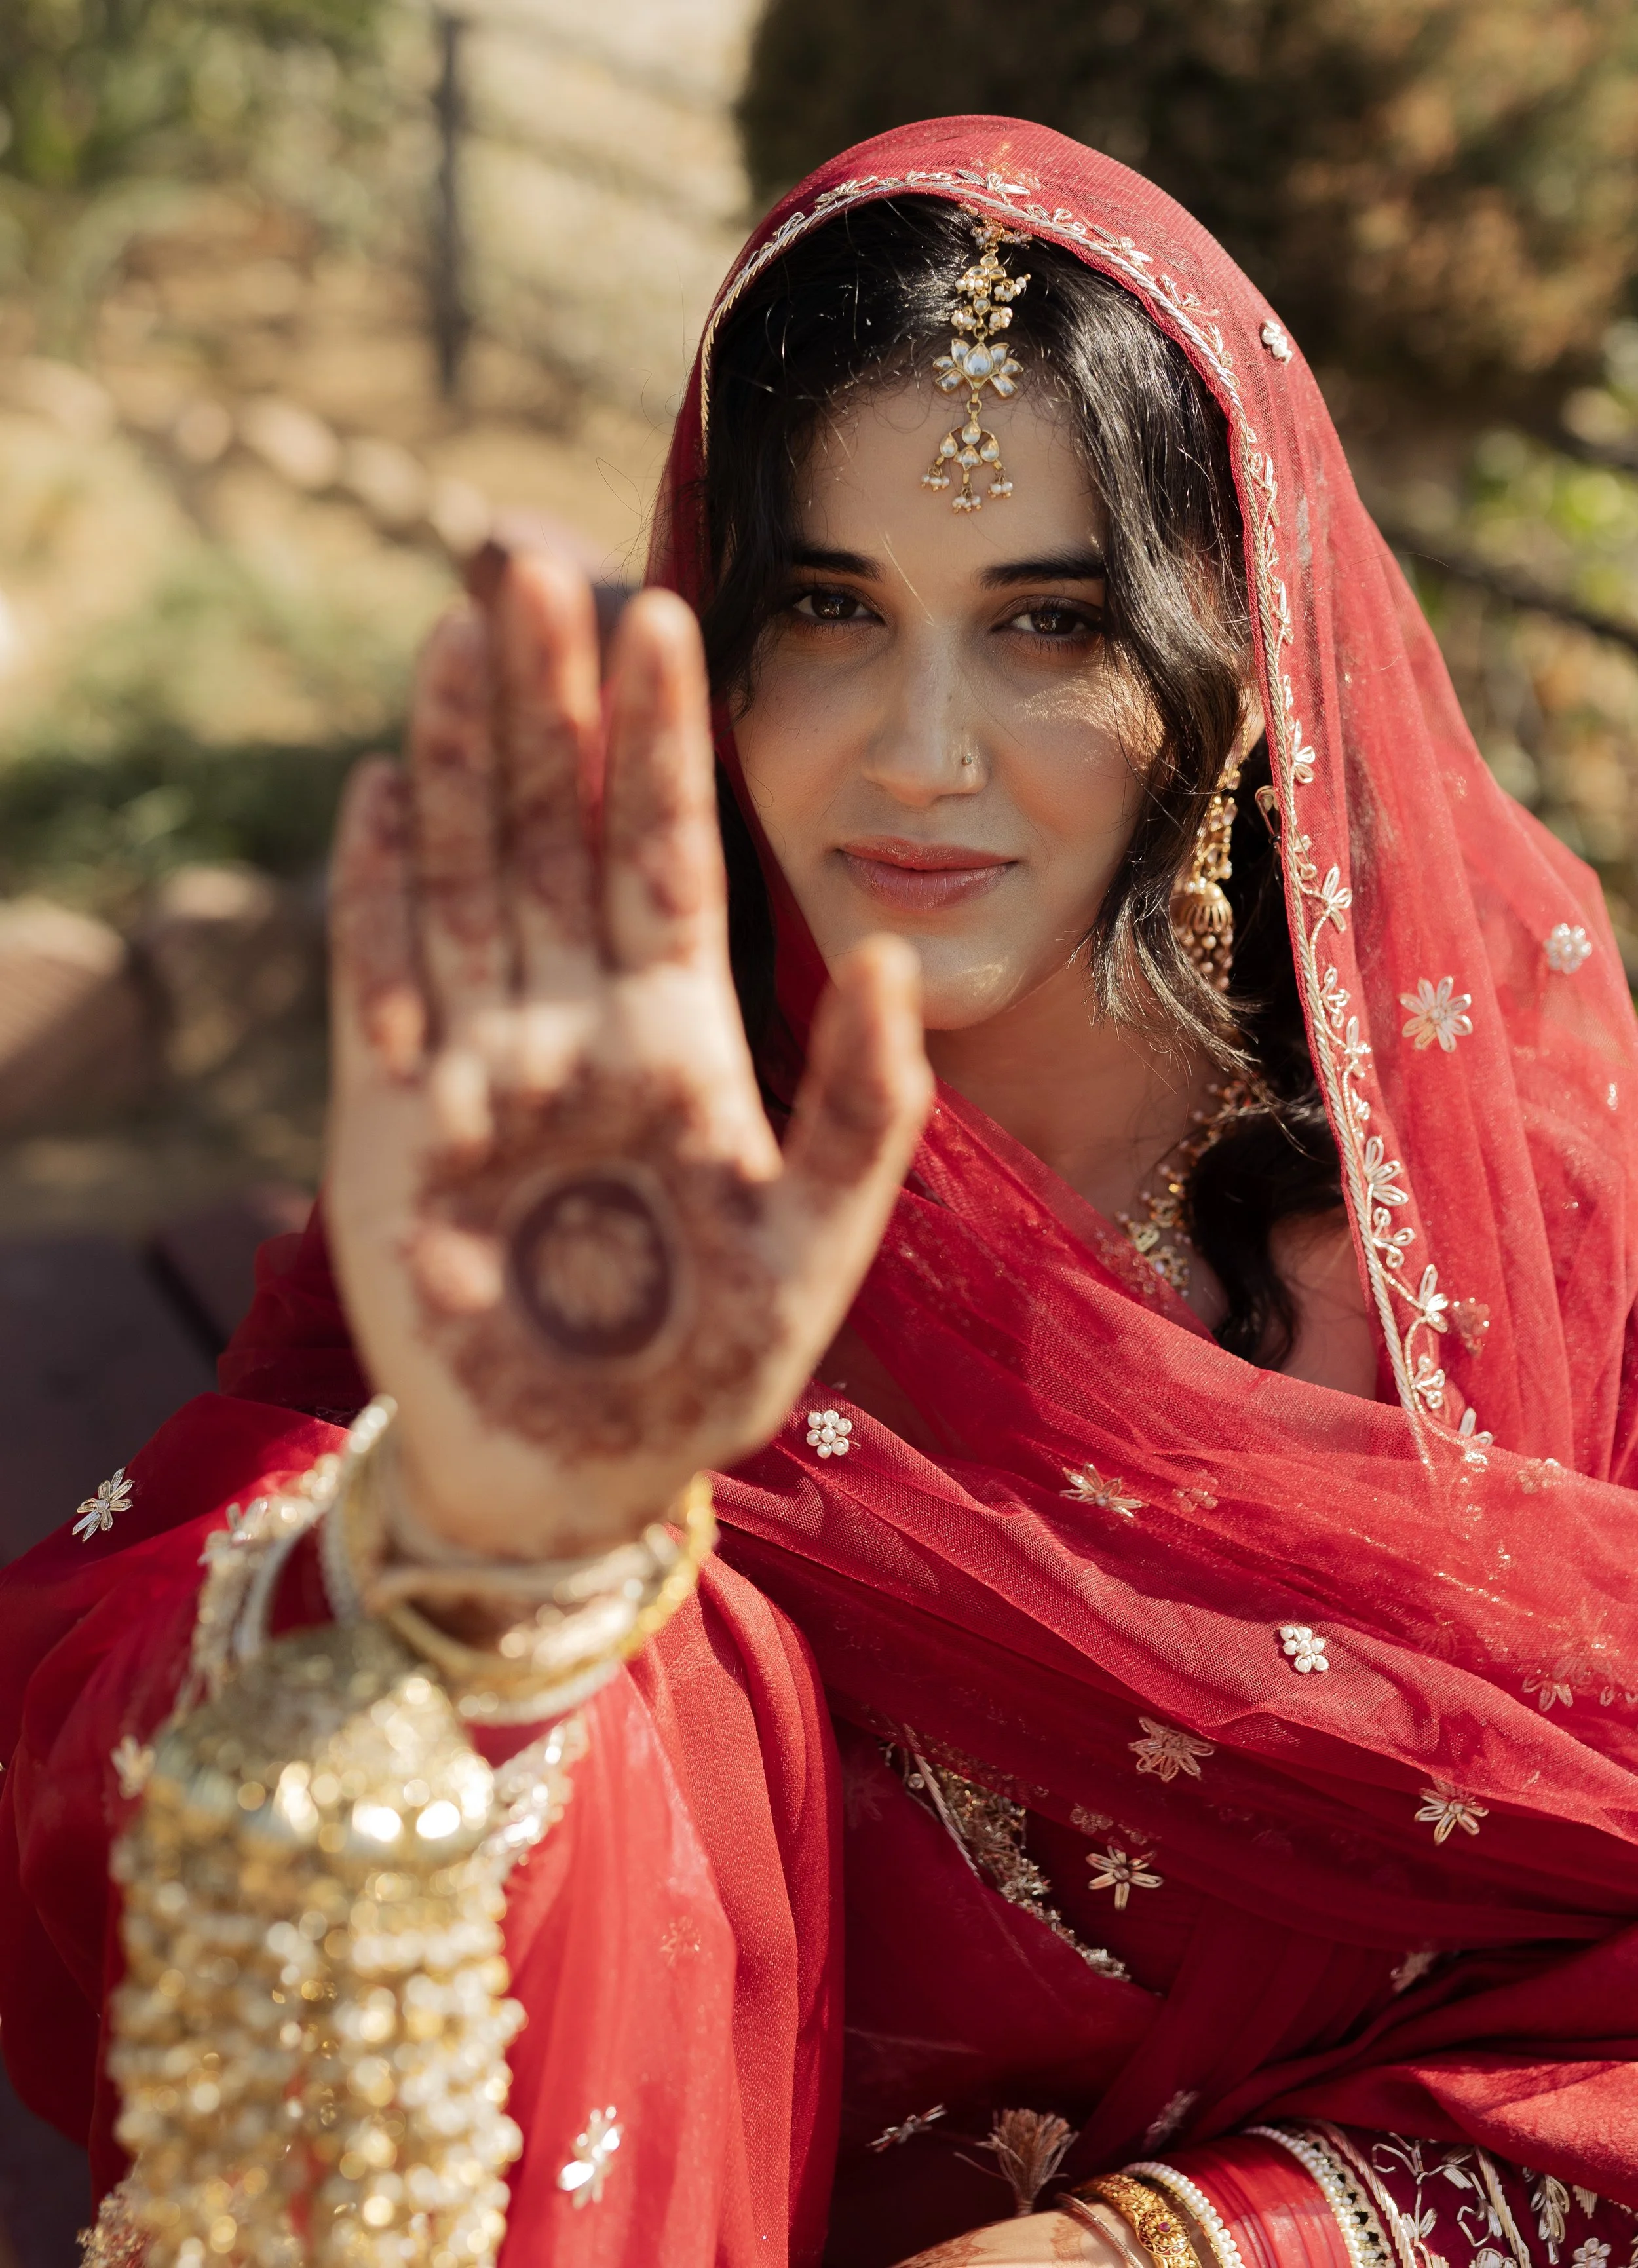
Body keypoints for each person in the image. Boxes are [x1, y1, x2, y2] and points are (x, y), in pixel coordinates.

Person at [5, 115, 1638, 2268]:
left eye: (1045, 621)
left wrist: (1180, 2248)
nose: (919, 750)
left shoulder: (1507, 1226)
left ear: (1226, 665)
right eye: (827, 612)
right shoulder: (608, 1218)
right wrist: (480, 1571)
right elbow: (96, 1784)